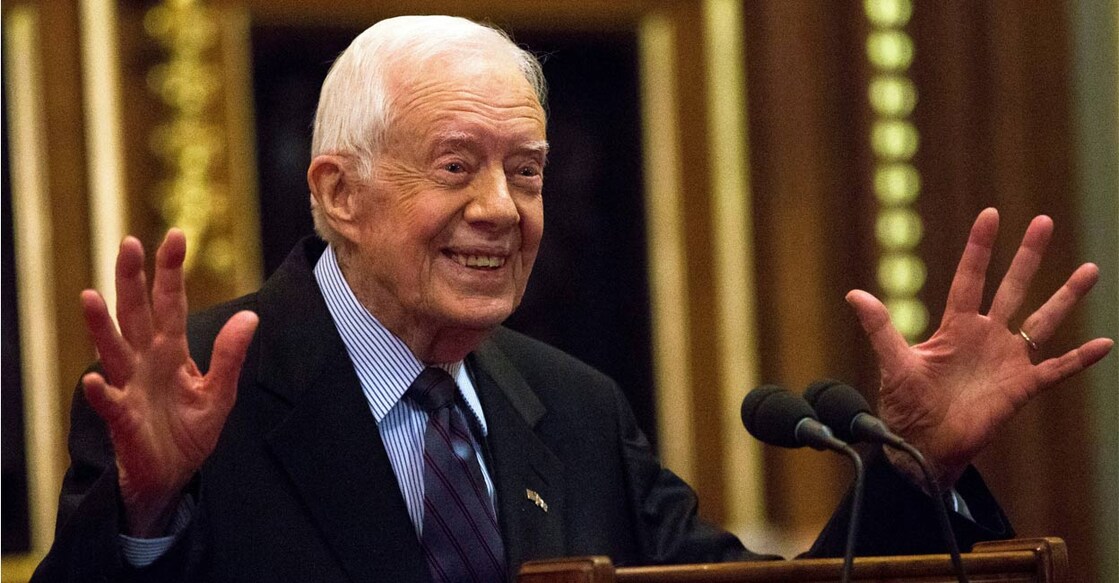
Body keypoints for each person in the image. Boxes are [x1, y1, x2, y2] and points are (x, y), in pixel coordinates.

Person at [32, 15, 1112, 583]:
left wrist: (918, 466)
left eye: (528, 171)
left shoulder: (575, 407)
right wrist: (145, 515)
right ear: (339, 193)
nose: (501, 209)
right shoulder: (199, 395)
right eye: (456, 167)